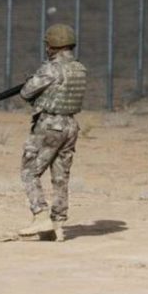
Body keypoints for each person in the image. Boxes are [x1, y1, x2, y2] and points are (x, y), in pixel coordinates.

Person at [17, 24, 87, 242]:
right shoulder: (79, 68)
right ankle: (58, 224)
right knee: (60, 175)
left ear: (53, 45)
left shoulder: (51, 69)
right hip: (71, 126)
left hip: (50, 124)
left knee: (29, 171)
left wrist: (33, 80)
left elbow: (26, 92)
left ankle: (40, 216)